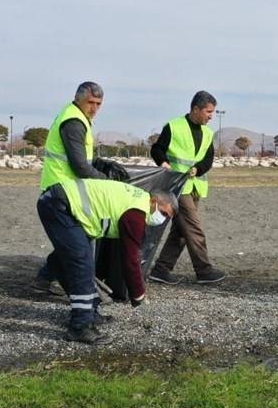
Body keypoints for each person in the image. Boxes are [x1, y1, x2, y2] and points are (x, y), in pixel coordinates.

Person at [37, 178, 177, 344]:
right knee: (82, 264)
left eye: (167, 218)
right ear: (154, 201)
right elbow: (130, 258)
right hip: (59, 204)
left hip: (62, 203)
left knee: (69, 258)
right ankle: (80, 326)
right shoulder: (136, 213)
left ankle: (88, 312)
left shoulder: (136, 201)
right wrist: (138, 294)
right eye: (163, 213)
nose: (162, 219)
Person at [33, 81, 115, 295]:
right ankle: (79, 291)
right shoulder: (74, 122)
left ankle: (44, 279)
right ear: (79, 98)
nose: (95, 108)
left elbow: (83, 159)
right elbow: (79, 165)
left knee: (74, 239)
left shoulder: (78, 118)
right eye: (91, 102)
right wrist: (105, 180)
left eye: (99, 104)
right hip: (61, 191)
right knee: (78, 241)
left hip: (68, 190)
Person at [147, 91, 226, 285]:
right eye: (208, 111)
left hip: (195, 187)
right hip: (177, 188)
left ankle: (161, 270)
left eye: (213, 112)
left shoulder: (208, 133)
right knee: (193, 227)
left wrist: (198, 169)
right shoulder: (174, 127)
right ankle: (204, 270)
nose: (211, 116)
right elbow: (157, 149)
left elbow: (208, 159)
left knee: (182, 231)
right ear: (195, 109)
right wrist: (163, 162)